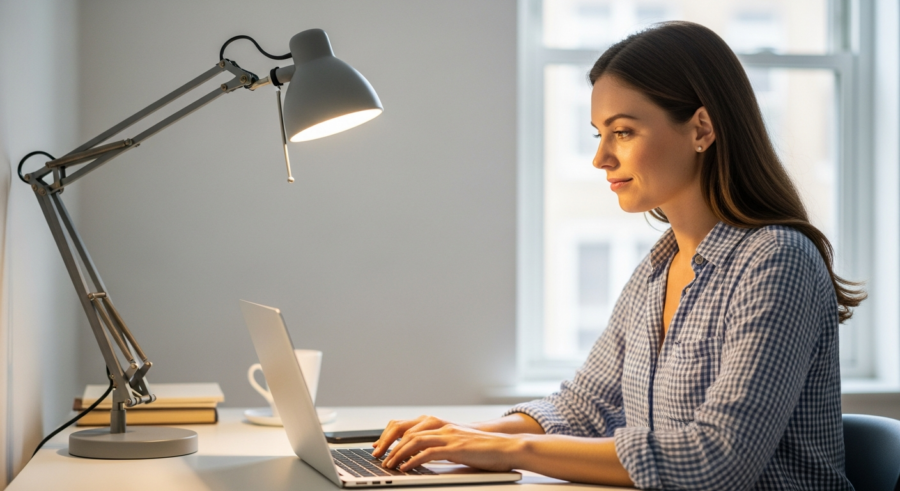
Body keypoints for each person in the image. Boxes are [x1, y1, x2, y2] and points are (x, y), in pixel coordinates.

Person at [372, 21, 866, 490]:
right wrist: (461, 434)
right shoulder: (659, 268)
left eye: (623, 132)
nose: (600, 158)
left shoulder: (777, 261)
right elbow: (587, 405)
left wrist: (511, 450)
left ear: (701, 129)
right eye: (598, 134)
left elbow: (719, 460)